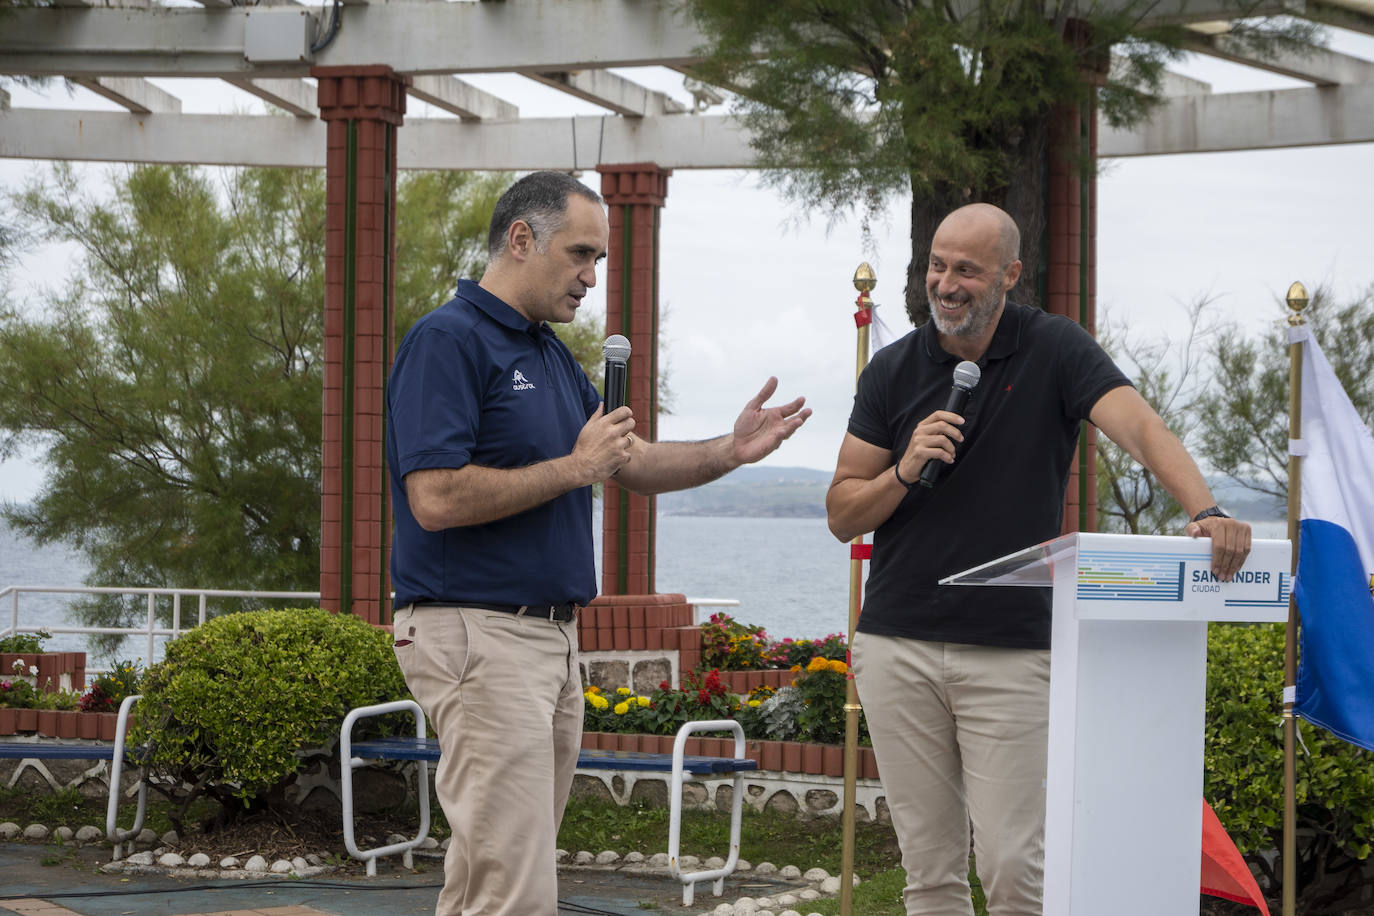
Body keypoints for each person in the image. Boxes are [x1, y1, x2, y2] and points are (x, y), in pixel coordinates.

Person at [384, 170, 811, 916]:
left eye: (600, 262)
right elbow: (436, 496)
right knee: (511, 885)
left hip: (547, 642)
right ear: (521, 239)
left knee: (499, 873)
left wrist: (728, 451)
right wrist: (573, 468)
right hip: (478, 634)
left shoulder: (547, 354)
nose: (590, 277)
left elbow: (631, 461)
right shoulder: (447, 341)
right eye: (581, 254)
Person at [825, 202, 1251, 916]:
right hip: (896, 645)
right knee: (928, 874)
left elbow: (1140, 426)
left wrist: (1205, 510)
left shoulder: (1054, 348)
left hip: (1011, 652)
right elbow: (842, 512)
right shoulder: (894, 370)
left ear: (1009, 275)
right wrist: (902, 470)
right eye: (936, 265)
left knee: (1015, 865)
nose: (946, 284)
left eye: (967, 269)